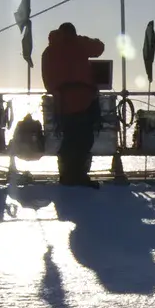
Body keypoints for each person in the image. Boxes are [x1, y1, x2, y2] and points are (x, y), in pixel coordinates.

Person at [40, 22, 105, 187]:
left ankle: (67, 175)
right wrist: (83, 39)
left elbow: (48, 81)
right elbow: (99, 47)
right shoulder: (79, 44)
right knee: (83, 140)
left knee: (69, 139)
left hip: (62, 103)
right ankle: (77, 176)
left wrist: (57, 92)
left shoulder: (49, 51)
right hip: (84, 101)